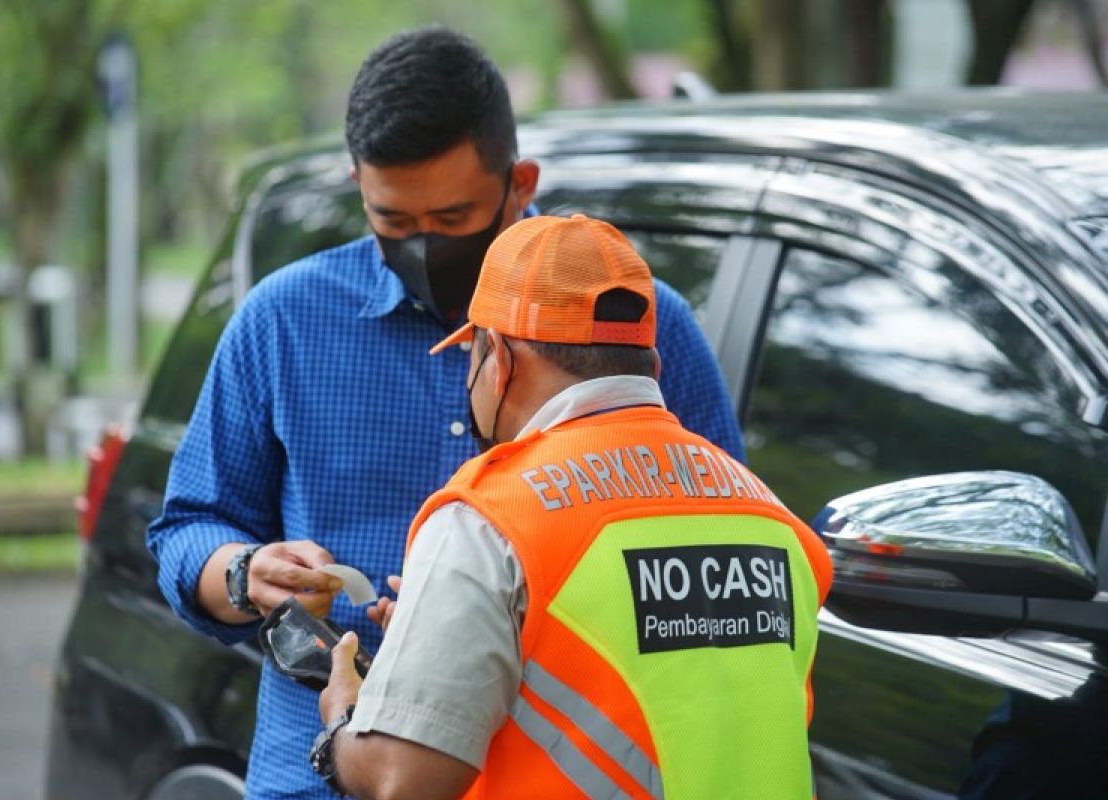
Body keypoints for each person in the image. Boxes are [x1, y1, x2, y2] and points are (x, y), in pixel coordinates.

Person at [147, 26, 744, 800]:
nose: (424, 246)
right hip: (319, 771)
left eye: (454, 220)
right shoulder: (282, 322)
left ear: (519, 182)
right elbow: (186, 526)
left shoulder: (635, 327)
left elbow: (717, 538)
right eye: (392, 222)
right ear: (358, 181)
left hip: (550, 774)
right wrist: (240, 571)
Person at [313, 214, 834, 800]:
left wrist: (342, 716)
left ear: (501, 360)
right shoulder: (769, 518)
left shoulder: (490, 518)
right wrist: (453, 627)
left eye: (472, 356)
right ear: (652, 368)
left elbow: (401, 779)